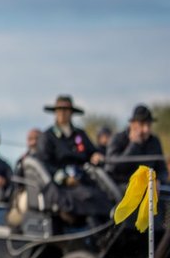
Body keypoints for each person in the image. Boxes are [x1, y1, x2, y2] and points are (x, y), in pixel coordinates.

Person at [35, 94, 110, 223]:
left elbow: (92, 152)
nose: (62, 113)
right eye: (59, 110)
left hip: (83, 180)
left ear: (71, 113)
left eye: (66, 110)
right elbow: (44, 164)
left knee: (102, 197)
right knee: (85, 198)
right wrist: (64, 178)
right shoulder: (47, 136)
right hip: (60, 186)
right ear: (55, 112)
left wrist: (95, 156)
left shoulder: (79, 134)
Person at [107, 104, 167, 185]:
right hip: (124, 187)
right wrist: (134, 145)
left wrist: (158, 179)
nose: (146, 130)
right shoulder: (118, 139)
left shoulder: (154, 141)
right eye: (142, 125)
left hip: (150, 186)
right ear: (132, 124)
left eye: (148, 125)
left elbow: (162, 169)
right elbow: (114, 168)